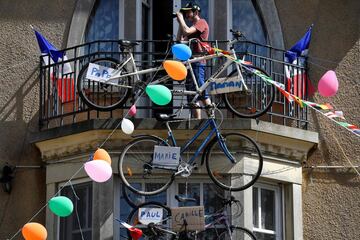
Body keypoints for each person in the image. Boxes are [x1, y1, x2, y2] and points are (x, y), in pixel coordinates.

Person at [176, 2, 212, 119]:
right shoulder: (192, 28)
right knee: (192, 94)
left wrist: (181, 19)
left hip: (198, 61)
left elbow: (186, 31)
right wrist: (179, 24)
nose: (186, 15)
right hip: (190, 63)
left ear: (196, 12)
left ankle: (212, 120)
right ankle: (197, 121)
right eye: (185, 13)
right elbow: (179, 40)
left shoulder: (201, 23)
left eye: (188, 12)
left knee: (200, 89)